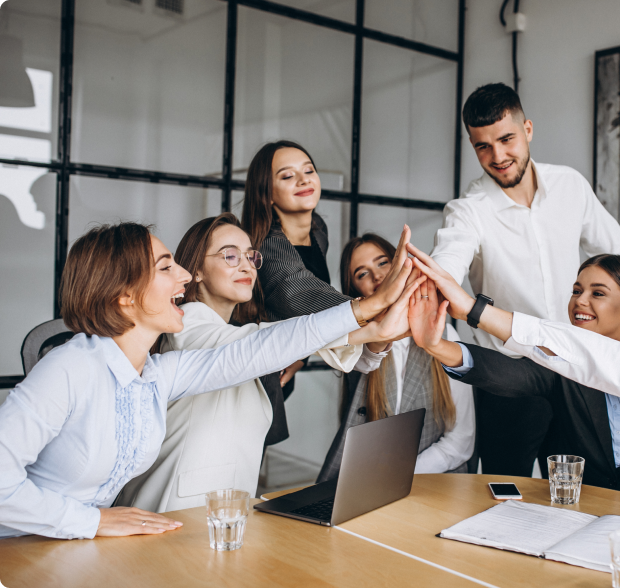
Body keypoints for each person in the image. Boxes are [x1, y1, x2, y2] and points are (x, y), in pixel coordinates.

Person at [0, 222, 422, 540]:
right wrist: (90, 521)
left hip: (89, 548)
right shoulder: (67, 368)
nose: (183, 276)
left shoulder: (156, 374)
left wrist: (369, 318)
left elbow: (255, 350)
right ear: (124, 295)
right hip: (25, 550)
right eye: (167, 267)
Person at [430, 82, 620, 478]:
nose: (498, 156)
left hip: (573, 374)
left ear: (527, 129)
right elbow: (445, 266)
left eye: (507, 139)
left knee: (579, 489)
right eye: (483, 146)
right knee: (503, 490)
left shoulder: (570, 185)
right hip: (508, 377)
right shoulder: (468, 211)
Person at [118, 214, 373, 511]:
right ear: (196, 270)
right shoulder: (188, 326)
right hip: (172, 513)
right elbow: (261, 344)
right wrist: (367, 317)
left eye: (251, 256)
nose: (246, 265)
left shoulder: (236, 332)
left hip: (223, 516)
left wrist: (373, 332)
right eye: (229, 255)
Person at [407, 245, 620, 497]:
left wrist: (472, 308)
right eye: (576, 291)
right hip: (580, 512)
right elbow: (509, 374)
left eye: (598, 293)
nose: (580, 300)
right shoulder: (559, 363)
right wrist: (437, 345)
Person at [317, 234, 474, 483]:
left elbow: (461, 441)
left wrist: (398, 474)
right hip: (369, 480)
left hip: (434, 482)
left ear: (402, 264)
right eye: (362, 274)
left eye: (382, 263)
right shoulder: (357, 346)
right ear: (354, 290)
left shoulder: (445, 335)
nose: (377, 277)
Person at [241, 141, 392, 392]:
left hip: (285, 361)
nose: (303, 180)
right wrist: (378, 306)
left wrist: (301, 355)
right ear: (266, 195)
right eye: (288, 175)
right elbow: (305, 297)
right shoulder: (266, 246)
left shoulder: (318, 229)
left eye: (309, 171)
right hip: (253, 368)